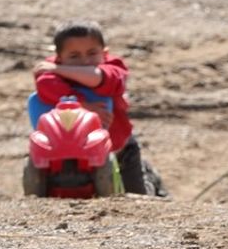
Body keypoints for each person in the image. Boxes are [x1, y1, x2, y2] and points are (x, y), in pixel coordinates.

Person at [33, 20, 166, 196]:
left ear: (105, 53)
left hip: (120, 148)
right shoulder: (53, 72)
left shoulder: (114, 67)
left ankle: (152, 181)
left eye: (92, 53)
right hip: (75, 152)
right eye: (74, 56)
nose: (85, 61)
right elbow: (44, 84)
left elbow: (98, 78)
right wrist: (81, 104)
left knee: (136, 195)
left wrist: (59, 68)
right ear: (59, 56)